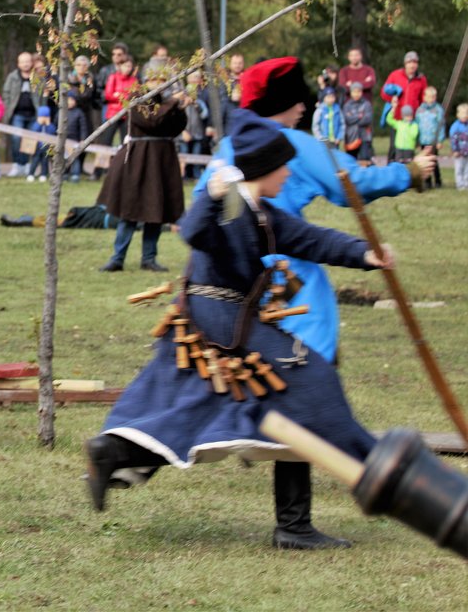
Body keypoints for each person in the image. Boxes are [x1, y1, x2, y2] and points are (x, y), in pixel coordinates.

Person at [85, 110, 391, 550]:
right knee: (312, 381)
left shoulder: (263, 213)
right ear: (264, 170)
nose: (289, 173)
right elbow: (193, 232)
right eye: (282, 166)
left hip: (219, 321)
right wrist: (211, 196)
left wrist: (366, 254)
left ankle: (112, 453)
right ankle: (318, 508)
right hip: (218, 320)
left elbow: (312, 239)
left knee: (199, 411)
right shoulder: (227, 205)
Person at [196, 57, 432, 364]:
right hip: (280, 276)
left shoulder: (228, 145)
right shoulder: (288, 143)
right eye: (297, 101)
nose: (303, 108)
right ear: (280, 103)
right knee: (308, 352)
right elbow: (352, 182)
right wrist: (410, 172)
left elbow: (201, 208)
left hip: (223, 282)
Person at [97, 71, 188, 272]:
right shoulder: (136, 99)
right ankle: (117, 258)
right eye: (156, 79)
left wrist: (180, 109)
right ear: (147, 81)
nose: (160, 84)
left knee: (155, 211)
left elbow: (176, 128)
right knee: (129, 211)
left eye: (163, 80)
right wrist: (173, 102)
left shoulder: (166, 103)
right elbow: (151, 121)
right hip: (139, 161)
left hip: (161, 162)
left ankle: (149, 258)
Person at [381, 51, 427, 161]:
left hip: (411, 120)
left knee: (409, 148)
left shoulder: (421, 79)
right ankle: (390, 173)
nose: (412, 65)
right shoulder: (395, 75)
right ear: (405, 63)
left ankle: (409, 174)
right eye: (410, 62)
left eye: (415, 62)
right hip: (397, 118)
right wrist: (391, 98)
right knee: (394, 147)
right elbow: (383, 93)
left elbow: (423, 99)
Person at [1, 52, 39, 177]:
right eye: (23, 62)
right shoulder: (13, 77)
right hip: (17, 114)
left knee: (30, 140)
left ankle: (27, 165)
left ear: (31, 62)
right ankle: (18, 164)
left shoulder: (37, 76)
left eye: (27, 61)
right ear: (18, 64)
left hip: (34, 114)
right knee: (16, 139)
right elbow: (6, 92)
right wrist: (8, 107)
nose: (25, 64)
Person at [177, 71, 210, 179]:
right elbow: (177, 114)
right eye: (192, 77)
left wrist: (196, 104)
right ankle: (183, 176)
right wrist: (183, 130)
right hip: (184, 132)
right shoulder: (181, 96)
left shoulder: (200, 98)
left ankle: (196, 176)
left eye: (197, 77)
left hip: (197, 132)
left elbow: (205, 114)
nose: (194, 80)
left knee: (196, 157)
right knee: (184, 156)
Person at [102, 57, 139, 145]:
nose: (127, 68)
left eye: (130, 66)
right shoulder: (113, 77)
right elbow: (108, 95)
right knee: (107, 140)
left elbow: (135, 96)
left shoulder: (134, 80)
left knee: (125, 141)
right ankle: (103, 158)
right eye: (125, 66)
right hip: (113, 113)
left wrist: (119, 95)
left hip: (127, 113)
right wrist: (126, 96)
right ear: (120, 66)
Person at [415, 85, 445, 188]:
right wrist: (417, 141)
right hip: (423, 140)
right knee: (425, 161)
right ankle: (427, 182)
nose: (431, 99)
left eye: (433, 97)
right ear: (424, 97)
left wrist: (440, 140)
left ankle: (437, 181)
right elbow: (417, 125)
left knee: (433, 161)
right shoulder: (420, 110)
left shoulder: (438, 110)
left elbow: (441, 125)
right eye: (429, 96)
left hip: (433, 140)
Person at [341, 82, 374, 166]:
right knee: (351, 161)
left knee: (364, 161)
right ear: (351, 92)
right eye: (354, 92)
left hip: (364, 137)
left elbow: (367, 119)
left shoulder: (366, 104)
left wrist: (353, 117)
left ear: (362, 92)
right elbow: (347, 120)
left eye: (358, 91)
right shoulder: (347, 105)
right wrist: (359, 116)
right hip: (351, 137)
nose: (356, 94)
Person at [62, 90, 89, 182]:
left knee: (75, 158)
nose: (69, 102)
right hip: (63, 140)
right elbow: (56, 124)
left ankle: (75, 174)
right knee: (64, 158)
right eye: (67, 100)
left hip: (75, 140)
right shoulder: (61, 112)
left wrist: (82, 139)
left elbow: (83, 127)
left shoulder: (79, 113)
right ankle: (64, 173)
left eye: (71, 100)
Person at [64, 55, 97, 132]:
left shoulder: (90, 79)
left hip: (86, 111)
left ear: (87, 67)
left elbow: (90, 95)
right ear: (74, 66)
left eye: (84, 65)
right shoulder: (68, 78)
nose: (81, 67)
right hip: (70, 111)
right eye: (78, 65)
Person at [27, 105, 55, 182]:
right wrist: (39, 124)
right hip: (37, 147)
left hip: (46, 147)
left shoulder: (50, 126)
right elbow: (34, 131)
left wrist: (48, 124)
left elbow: (52, 132)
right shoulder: (35, 124)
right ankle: (31, 174)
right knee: (35, 161)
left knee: (45, 161)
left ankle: (43, 174)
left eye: (45, 117)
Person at [450, 103, 468, 190]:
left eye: (466, 113)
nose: (465, 115)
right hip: (459, 153)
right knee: (459, 169)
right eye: (463, 113)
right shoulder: (455, 127)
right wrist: (455, 150)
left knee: (467, 169)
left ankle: (466, 183)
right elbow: (453, 140)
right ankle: (460, 184)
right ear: (458, 115)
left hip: (467, 152)